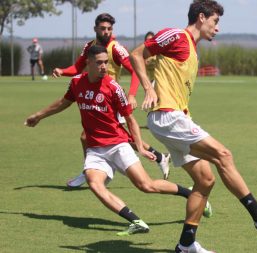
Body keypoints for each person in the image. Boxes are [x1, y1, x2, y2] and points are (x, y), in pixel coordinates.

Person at [130, 1, 257, 252]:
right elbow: (136, 54)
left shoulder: (193, 49)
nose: (217, 28)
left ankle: (186, 244)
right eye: (215, 21)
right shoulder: (177, 35)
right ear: (201, 17)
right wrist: (148, 87)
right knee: (224, 155)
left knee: (205, 180)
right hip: (167, 116)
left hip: (176, 118)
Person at [25, 45, 211, 237]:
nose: (104, 66)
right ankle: (136, 221)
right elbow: (63, 102)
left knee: (146, 186)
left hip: (118, 145)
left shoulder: (113, 88)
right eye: (99, 63)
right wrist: (39, 116)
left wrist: (139, 146)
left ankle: (189, 193)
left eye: (106, 62)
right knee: (94, 183)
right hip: (95, 150)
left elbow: (130, 119)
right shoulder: (76, 83)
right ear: (88, 63)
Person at [52, 13, 171, 187]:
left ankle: (90, 171)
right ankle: (159, 157)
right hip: (98, 99)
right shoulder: (89, 47)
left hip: (112, 98)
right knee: (116, 137)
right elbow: (78, 67)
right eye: (103, 28)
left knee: (95, 137)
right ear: (95, 29)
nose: (107, 32)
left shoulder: (116, 48)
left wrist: (131, 95)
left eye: (109, 29)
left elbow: (135, 70)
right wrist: (63, 71)